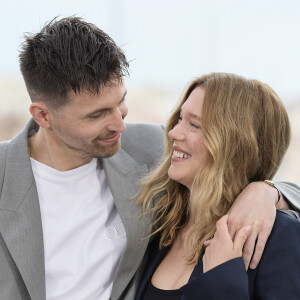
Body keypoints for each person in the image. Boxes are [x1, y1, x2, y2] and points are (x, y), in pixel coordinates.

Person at [0, 17, 299, 300]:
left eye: (120, 102)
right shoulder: (171, 214)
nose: (120, 125)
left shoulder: (150, 148)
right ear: (43, 115)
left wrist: (265, 191)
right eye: (97, 114)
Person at [135, 73, 300, 300]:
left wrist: (223, 280)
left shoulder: (279, 236)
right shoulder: (160, 222)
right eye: (179, 118)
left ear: (240, 146)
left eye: (193, 125)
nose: (173, 132)